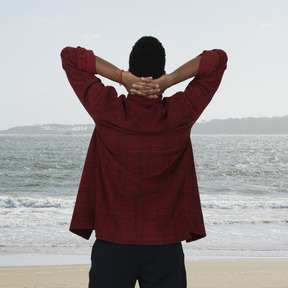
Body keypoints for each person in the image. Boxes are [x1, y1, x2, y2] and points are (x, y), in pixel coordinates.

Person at [61, 36, 227, 288]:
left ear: (131, 70)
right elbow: (217, 59)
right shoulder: (181, 113)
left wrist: (121, 77)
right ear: (161, 71)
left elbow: (70, 57)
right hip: (165, 245)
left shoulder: (107, 111)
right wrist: (169, 81)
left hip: (113, 243)